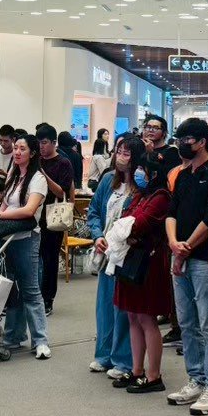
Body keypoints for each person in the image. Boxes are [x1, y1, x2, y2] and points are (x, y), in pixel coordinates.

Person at [164, 117, 208, 416]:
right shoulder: (183, 175)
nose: (182, 145)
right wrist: (173, 244)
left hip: (204, 259)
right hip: (179, 256)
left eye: (186, 140)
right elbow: (172, 212)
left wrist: (186, 247)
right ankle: (196, 378)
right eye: (179, 139)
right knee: (187, 322)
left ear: (202, 142)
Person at [112, 144, 175, 393]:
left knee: (147, 319)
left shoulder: (161, 197)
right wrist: (126, 230)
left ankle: (153, 376)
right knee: (133, 316)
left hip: (149, 263)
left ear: (154, 172)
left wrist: (127, 231)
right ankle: (137, 370)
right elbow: (124, 220)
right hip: (132, 260)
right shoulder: (142, 194)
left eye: (142, 169)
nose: (138, 172)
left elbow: (138, 223)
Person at [0, 134, 50, 358]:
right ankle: (12, 336)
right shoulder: (13, 174)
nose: (17, 152)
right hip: (7, 238)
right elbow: (4, 203)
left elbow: (29, 210)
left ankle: (40, 341)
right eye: (16, 148)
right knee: (11, 289)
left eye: (22, 149)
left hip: (27, 239)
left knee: (30, 290)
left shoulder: (38, 178)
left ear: (32, 153)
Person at [86, 136, 137, 378]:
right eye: (118, 151)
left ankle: (123, 360)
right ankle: (103, 355)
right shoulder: (108, 180)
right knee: (105, 306)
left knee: (124, 308)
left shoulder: (141, 184)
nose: (120, 157)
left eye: (126, 153)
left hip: (127, 254)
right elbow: (94, 211)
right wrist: (97, 235)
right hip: (106, 252)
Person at [35, 122, 74, 314]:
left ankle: (48, 299)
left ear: (53, 142)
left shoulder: (63, 163)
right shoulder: (36, 159)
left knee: (50, 259)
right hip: (34, 215)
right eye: (38, 143)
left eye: (44, 143)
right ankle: (35, 296)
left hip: (53, 217)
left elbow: (62, 192)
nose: (41, 147)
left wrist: (43, 174)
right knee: (35, 258)